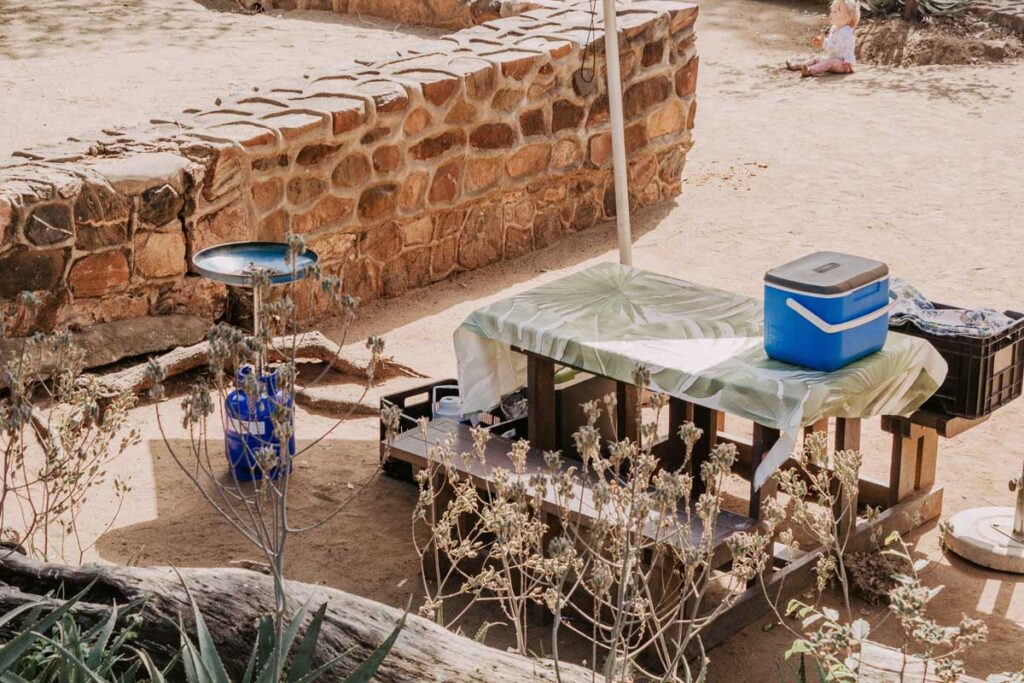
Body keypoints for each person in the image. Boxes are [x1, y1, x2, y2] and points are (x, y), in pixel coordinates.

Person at [786, 0, 860, 77]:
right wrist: (822, 40)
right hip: (834, 60)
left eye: (835, 12)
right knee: (817, 59)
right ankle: (800, 65)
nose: (831, 14)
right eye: (831, 11)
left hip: (844, 64)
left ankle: (810, 70)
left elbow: (838, 48)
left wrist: (824, 43)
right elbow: (831, 42)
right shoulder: (834, 28)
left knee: (830, 62)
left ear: (845, 18)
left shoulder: (846, 32)